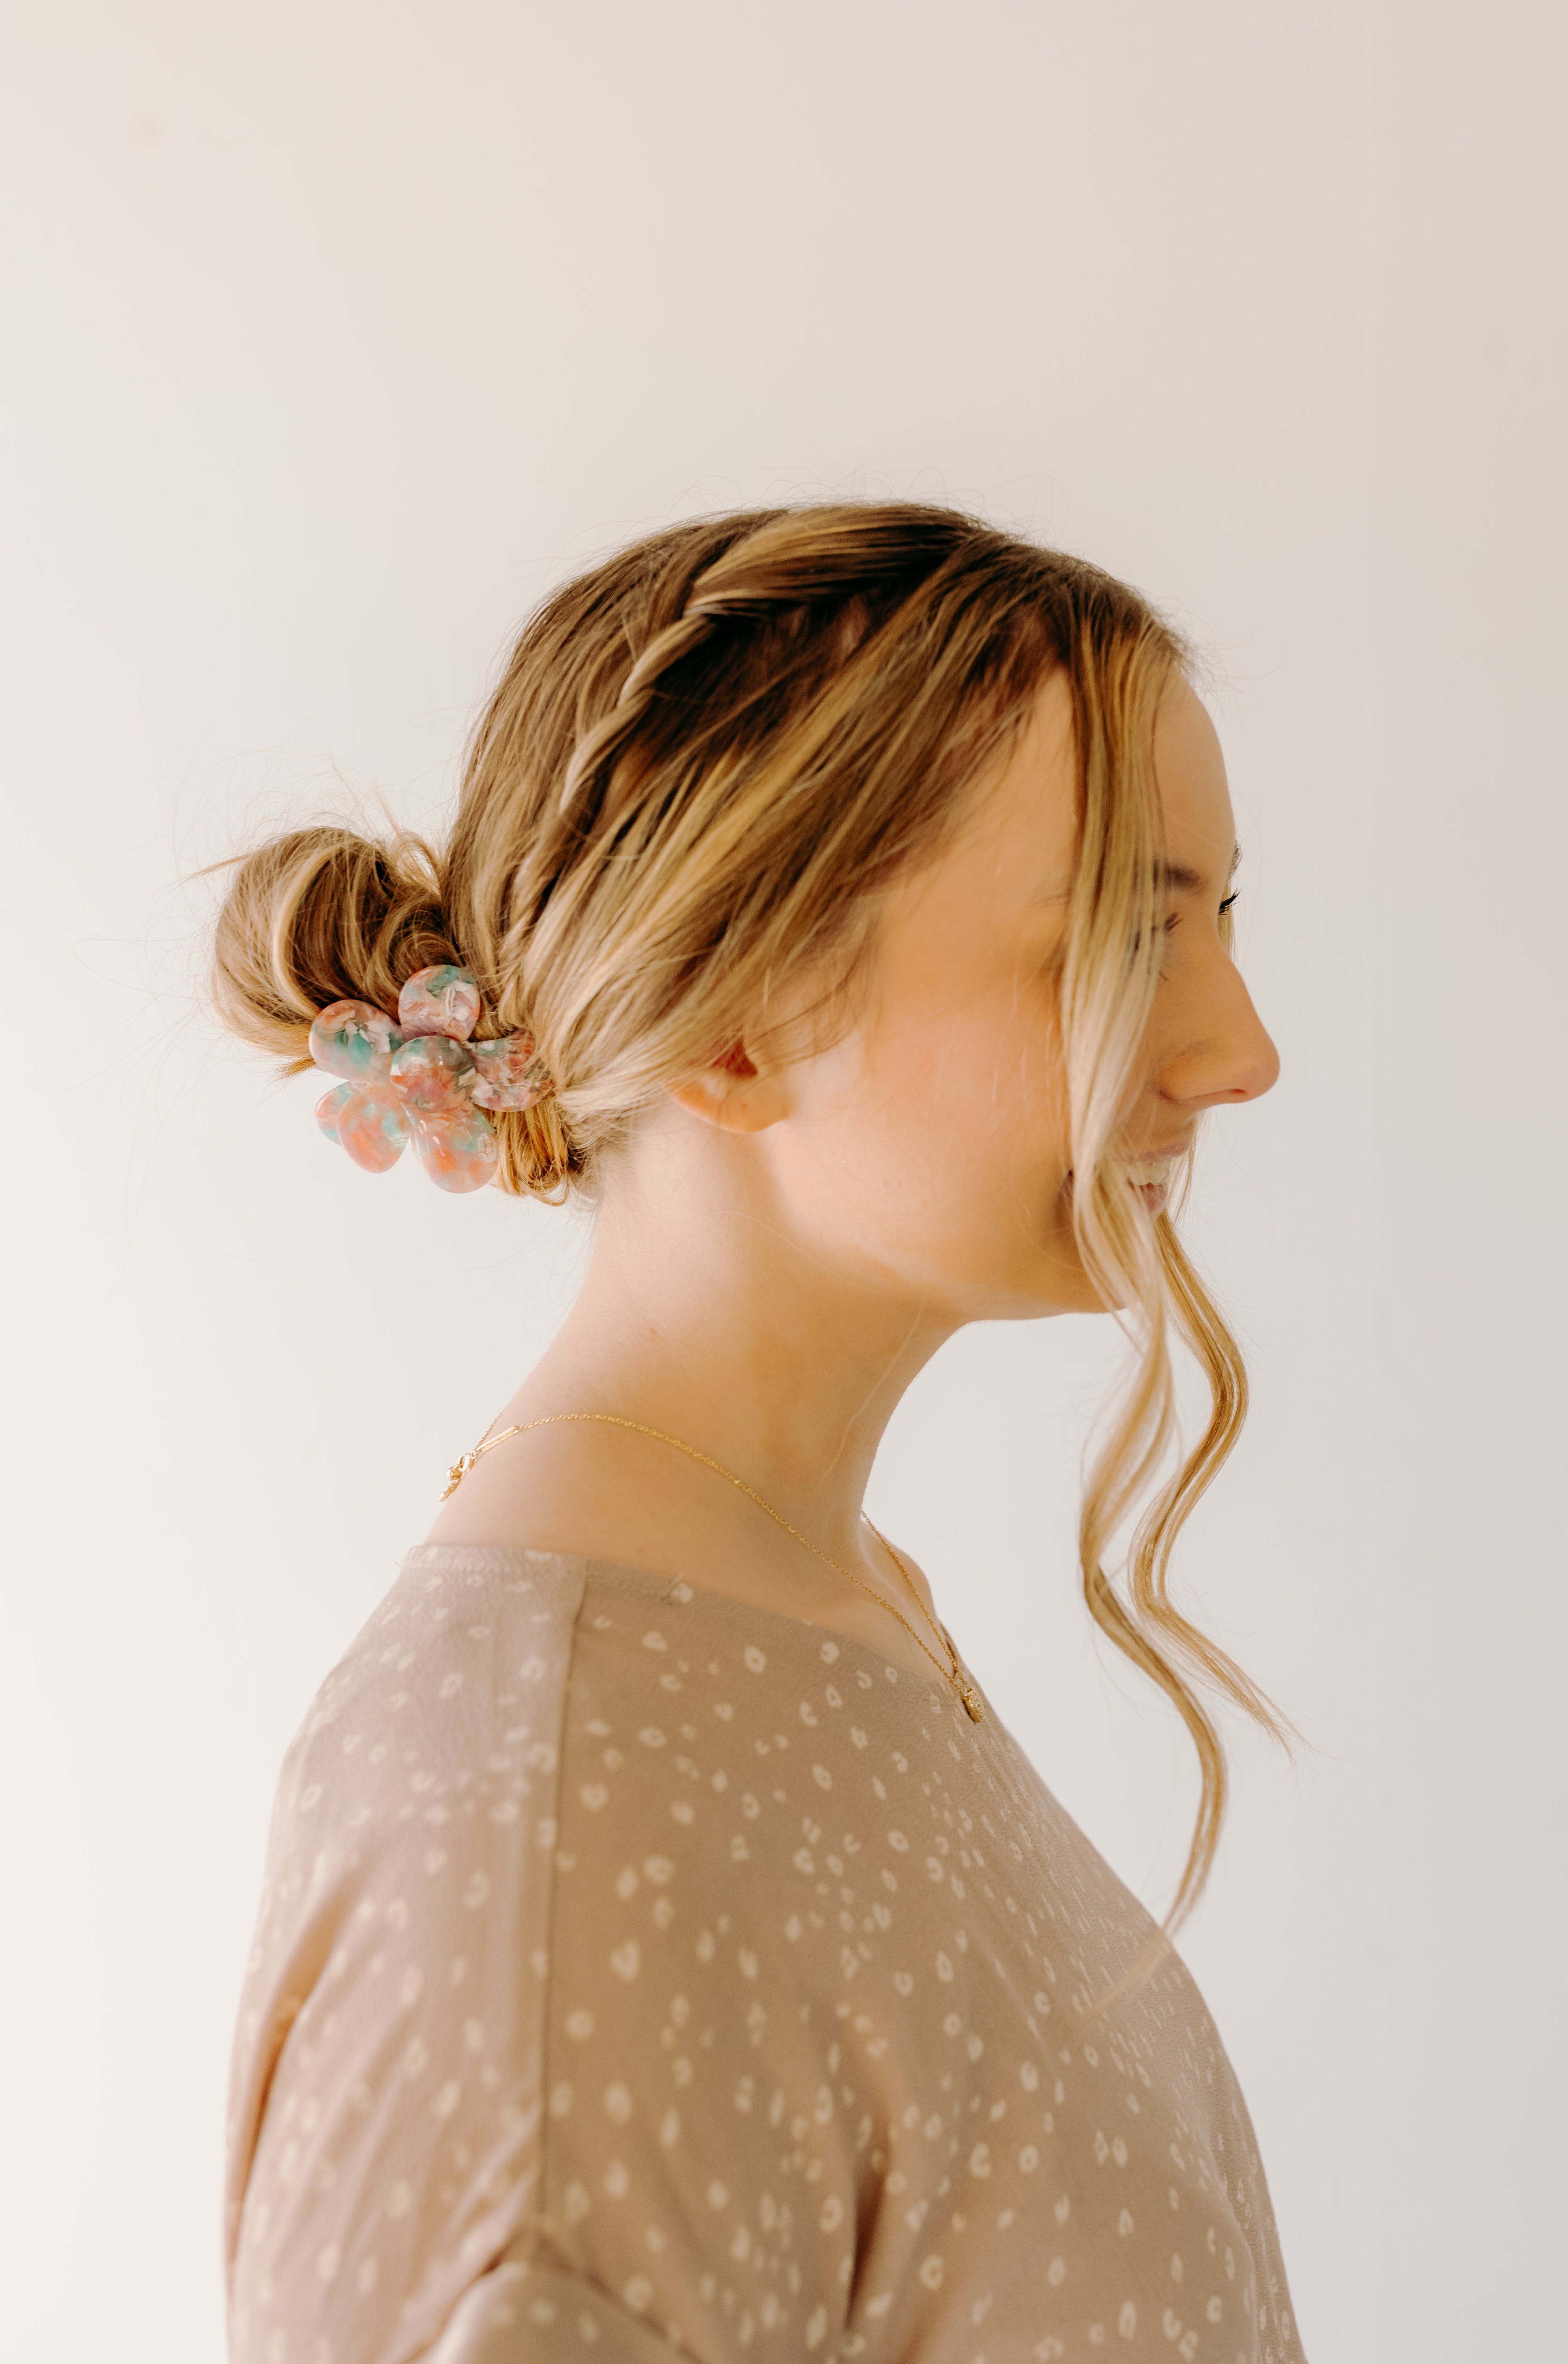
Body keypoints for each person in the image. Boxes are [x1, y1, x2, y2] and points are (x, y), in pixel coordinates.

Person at [214, 503, 1302, 2363]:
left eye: (1218, 922)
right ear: (732, 1026)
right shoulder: (548, 1835)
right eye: (1131, 932)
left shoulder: (812, 1617)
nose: (1237, 1047)